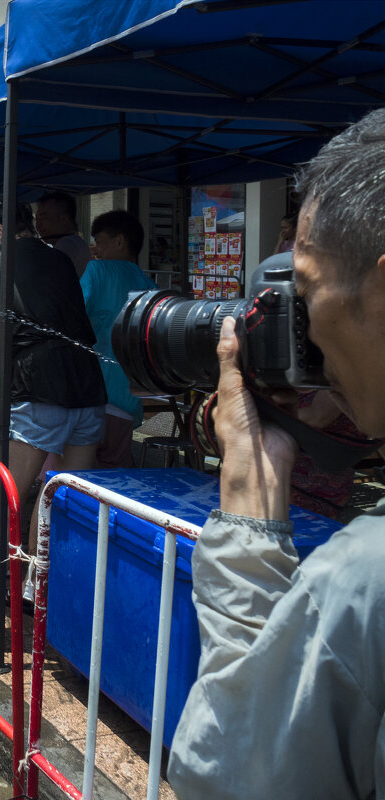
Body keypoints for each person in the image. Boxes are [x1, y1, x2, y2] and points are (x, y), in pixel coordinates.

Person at [167, 108, 385, 799]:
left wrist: (250, 526)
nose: (305, 333)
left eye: (305, 290)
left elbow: (234, 775)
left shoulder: (364, 584)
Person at [0, 201, 106, 638]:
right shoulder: (62, 259)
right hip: (88, 386)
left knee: (9, 504)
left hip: (39, 388)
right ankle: (59, 618)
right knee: (67, 507)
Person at [79, 209, 157, 468]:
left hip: (89, 392)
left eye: (99, 241)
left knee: (78, 476)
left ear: (119, 241)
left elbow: (74, 313)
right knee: (114, 473)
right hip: (126, 398)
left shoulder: (97, 269)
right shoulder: (150, 285)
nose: (95, 249)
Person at [34, 190, 92, 277]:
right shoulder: (74, 242)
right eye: (37, 219)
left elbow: (45, 277)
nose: (38, 225)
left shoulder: (69, 243)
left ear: (64, 220)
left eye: (44, 218)